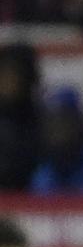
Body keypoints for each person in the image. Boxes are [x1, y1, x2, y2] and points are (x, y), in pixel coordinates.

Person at [0, 43, 43, 190]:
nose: (7, 80)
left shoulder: (40, 122)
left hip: (28, 199)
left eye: (14, 73)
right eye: (3, 73)